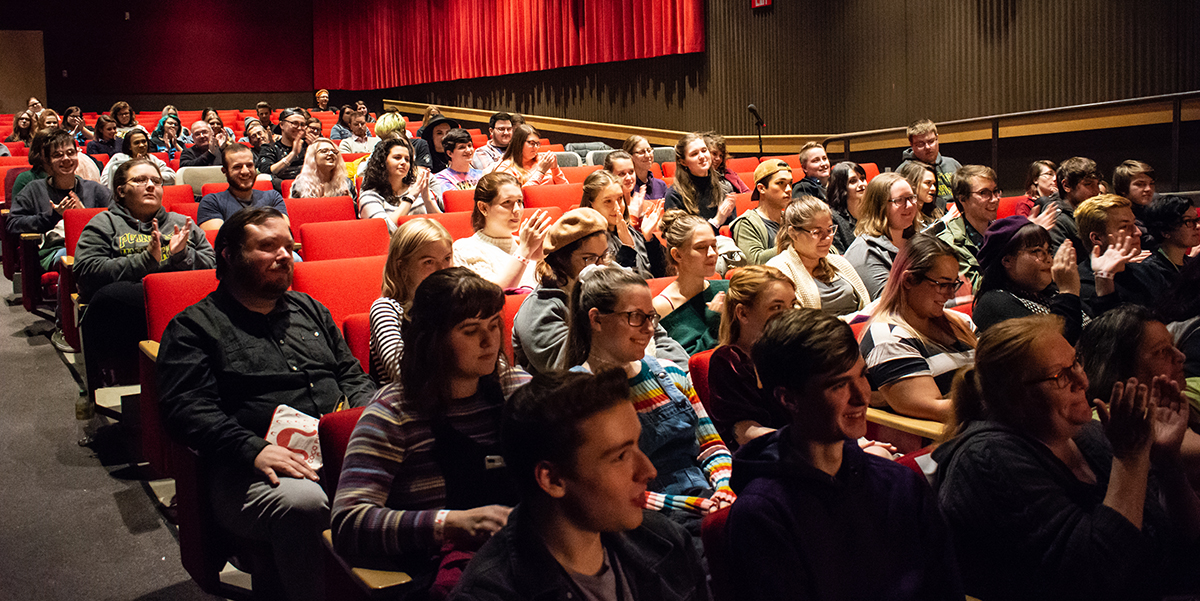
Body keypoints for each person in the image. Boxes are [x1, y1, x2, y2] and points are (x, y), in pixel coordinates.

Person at [158, 206, 374, 601]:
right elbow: (186, 410)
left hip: (337, 452)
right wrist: (254, 450)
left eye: (288, 246)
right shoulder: (194, 327)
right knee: (305, 503)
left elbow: (352, 376)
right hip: (252, 471)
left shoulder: (311, 309)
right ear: (228, 255)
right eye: (268, 246)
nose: (284, 255)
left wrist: (371, 420)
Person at [934, 314, 1200, 601]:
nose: (1082, 381)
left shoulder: (1090, 435)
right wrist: (1131, 457)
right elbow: (1098, 576)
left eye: (1075, 363)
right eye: (1060, 376)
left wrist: (1168, 461)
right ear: (1013, 396)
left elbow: (1182, 539)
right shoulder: (986, 460)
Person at [726, 308, 962, 601]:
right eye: (838, 385)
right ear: (789, 399)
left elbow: (943, 585)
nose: (862, 396)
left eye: (862, 375)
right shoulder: (763, 513)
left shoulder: (899, 482)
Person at [333, 268, 527, 596]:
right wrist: (449, 523)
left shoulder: (518, 391)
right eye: (470, 331)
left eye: (495, 325)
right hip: (439, 574)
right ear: (433, 340)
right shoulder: (395, 411)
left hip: (521, 558)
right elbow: (349, 522)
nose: (490, 341)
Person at [450, 369, 709, 601]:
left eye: (637, 446)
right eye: (620, 456)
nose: (648, 471)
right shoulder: (489, 593)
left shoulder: (667, 541)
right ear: (552, 479)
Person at [567, 265, 735, 520]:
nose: (649, 328)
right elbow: (608, 488)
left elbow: (712, 446)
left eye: (651, 317)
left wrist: (723, 487)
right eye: (635, 317)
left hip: (707, 498)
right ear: (596, 319)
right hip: (644, 517)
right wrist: (694, 505)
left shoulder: (669, 372)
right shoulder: (579, 393)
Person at [76, 158, 214, 388]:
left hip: (184, 305)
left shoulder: (182, 224)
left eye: (156, 181)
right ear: (120, 191)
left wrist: (181, 256)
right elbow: (87, 271)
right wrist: (146, 260)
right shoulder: (103, 224)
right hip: (128, 313)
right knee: (113, 295)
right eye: (140, 180)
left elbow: (212, 267)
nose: (151, 185)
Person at [513, 207, 687, 378]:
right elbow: (568, 369)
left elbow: (657, 336)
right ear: (560, 260)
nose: (600, 266)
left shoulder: (614, 280)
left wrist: (684, 372)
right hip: (581, 397)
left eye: (604, 255)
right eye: (588, 259)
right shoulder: (538, 309)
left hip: (641, 379)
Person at [859, 233, 977, 422]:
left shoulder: (959, 321)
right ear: (909, 280)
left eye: (953, 284)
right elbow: (936, 409)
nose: (949, 295)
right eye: (942, 285)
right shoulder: (888, 338)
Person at [707, 265, 797, 447]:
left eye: (792, 305)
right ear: (743, 313)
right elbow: (746, 432)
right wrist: (808, 444)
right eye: (776, 307)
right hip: (767, 457)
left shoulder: (793, 351)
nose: (790, 316)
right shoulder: (729, 361)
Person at [7, 129, 112, 271]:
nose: (66, 159)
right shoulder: (34, 189)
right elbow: (13, 224)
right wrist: (52, 217)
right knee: (77, 257)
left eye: (70, 153)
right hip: (56, 250)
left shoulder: (93, 189)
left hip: (95, 246)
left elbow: (119, 216)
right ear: (47, 160)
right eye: (58, 155)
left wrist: (83, 216)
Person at [971, 215, 1086, 344]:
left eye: (1048, 251)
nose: (1048, 259)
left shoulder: (1050, 292)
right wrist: (1068, 292)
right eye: (1037, 251)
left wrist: (1104, 285)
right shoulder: (994, 303)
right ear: (1007, 260)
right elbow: (1054, 348)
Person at [369, 219, 454, 385]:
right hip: (409, 404)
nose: (442, 270)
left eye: (447, 258)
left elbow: (493, 363)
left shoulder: (456, 303)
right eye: (428, 262)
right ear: (402, 267)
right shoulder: (386, 309)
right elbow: (402, 372)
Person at [767, 196, 870, 315]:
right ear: (793, 234)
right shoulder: (778, 270)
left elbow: (867, 306)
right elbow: (796, 325)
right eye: (817, 232)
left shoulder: (839, 262)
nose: (827, 238)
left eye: (830, 230)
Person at [453, 172, 551, 289]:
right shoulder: (465, 249)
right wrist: (524, 252)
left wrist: (546, 260)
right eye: (507, 202)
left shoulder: (527, 244)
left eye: (519, 201)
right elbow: (493, 294)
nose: (517, 210)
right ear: (483, 208)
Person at [653, 211, 730, 355]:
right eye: (701, 247)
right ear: (677, 255)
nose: (712, 253)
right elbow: (688, 361)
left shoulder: (727, 288)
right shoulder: (662, 307)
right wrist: (716, 322)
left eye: (714, 245)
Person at [1074, 194, 1157, 314]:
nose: (1138, 232)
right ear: (1097, 238)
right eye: (1125, 227)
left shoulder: (1148, 271)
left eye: (1134, 224)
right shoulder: (1082, 287)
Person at [844, 172, 919, 299]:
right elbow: (889, 303)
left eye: (911, 197)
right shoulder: (866, 251)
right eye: (899, 200)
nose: (910, 205)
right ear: (879, 207)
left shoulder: (916, 240)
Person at [933, 165, 1005, 290]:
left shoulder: (1001, 231)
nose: (994, 199)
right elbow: (975, 288)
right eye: (984, 193)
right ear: (962, 199)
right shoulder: (949, 243)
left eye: (995, 191)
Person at [578, 170, 655, 278]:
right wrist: (627, 249)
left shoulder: (630, 230)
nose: (617, 208)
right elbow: (614, 286)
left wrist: (649, 239)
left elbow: (660, 275)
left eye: (619, 199)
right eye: (608, 201)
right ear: (591, 204)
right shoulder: (588, 243)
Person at [199, 143, 289, 232]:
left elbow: (284, 233)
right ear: (225, 171)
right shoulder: (212, 202)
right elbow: (218, 242)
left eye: (249, 165)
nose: (245, 171)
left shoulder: (273, 197)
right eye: (237, 167)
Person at [357, 137, 439, 229]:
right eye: (397, 158)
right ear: (383, 162)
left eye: (407, 159)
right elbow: (384, 230)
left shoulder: (418, 189)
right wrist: (410, 198)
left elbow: (441, 226)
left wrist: (427, 199)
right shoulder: (369, 196)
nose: (403, 162)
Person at [664, 132, 735, 229]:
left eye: (704, 150)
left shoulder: (725, 186)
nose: (702, 156)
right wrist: (716, 221)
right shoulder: (674, 195)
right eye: (694, 154)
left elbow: (732, 228)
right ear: (683, 162)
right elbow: (678, 237)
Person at [1035, 156, 1102, 254]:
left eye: (1097, 184)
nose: (1096, 191)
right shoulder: (1056, 220)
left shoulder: (1092, 210)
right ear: (1066, 186)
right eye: (1088, 184)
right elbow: (1059, 265)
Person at [731, 159, 791, 265]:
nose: (789, 189)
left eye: (790, 183)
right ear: (761, 188)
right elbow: (754, 262)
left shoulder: (792, 219)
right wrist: (795, 245)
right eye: (781, 183)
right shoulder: (746, 223)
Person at [897, 119, 962, 207]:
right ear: (911, 144)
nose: (927, 147)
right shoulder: (904, 171)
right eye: (921, 144)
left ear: (937, 138)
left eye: (931, 141)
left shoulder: (952, 163)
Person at [1142, 195, 1200, 288]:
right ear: (1165, 231)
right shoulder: (1150, 271)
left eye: (1196, 220)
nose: (1197, 226)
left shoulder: (1191, 265)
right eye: (1188, 221)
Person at [487, 123, 567, 187]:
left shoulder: (542, 161)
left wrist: (555, 169)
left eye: (537, 144)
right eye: (532, 143)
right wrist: (540, 172)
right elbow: (519, 197)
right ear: (519, 144)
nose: (536, 147)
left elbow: (565, 190)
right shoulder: (506, 168)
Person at [99, 129, 176, 189]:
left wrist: (147, 174)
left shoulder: (152, 159)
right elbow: (105, 181)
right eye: (136, 143)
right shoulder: (118, 159)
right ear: (129, 146)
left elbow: (172, 176)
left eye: (144, 141)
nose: (142, 145)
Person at [432, 128, 484, 208]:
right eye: (461, 147)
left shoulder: (481, 174)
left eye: (469, 145)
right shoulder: (441, 178)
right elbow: (455, 202)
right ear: (450, 153)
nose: (468, 150)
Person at [255, 108, 310, 182]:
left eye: (302, 124)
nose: (299, 128)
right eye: (295, 123)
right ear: (282, 125)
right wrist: (293, 154)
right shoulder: (269, 148)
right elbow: (266, 172)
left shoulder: (308, 147)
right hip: (279, 190)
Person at [289, 138, 354, 199]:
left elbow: (355, 209)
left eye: (334, 151)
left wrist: (347, 199)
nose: (331, 154)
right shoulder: (300, 184)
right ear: (313, 157)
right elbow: (294, 209)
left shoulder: (346, 183)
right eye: (324, 151)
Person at [825, 161, 867, 253]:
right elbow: (839, 256)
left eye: (862, 179)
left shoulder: (872, 212)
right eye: (853, 181)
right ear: (841, 187)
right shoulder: (833, 218)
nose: (861, 184)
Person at [623, 134, 669, 201]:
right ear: (629, 156)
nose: (647, 155)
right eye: (641, 152)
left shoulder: (661, 185)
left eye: (649, 150)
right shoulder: (627, 186)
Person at [898, 160, 941, 227]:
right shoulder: (902, 217)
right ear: (912, 183)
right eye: (928, 183)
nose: (933, 188)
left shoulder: (935, 212)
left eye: (934, 184)